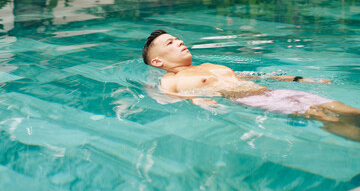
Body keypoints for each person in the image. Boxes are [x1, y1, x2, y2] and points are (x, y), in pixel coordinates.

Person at [142, 29, 360, 141]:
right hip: (249, 100)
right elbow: (167, 97)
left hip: (274, 92)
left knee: (344, 109)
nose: (180, 41)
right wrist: (196, 99)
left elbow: (253, 77)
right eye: (170, 43)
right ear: (158, 61)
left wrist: (297, 79)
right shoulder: (169, 80)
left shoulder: (209, 64)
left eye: (177, 38)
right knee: (320, 114)